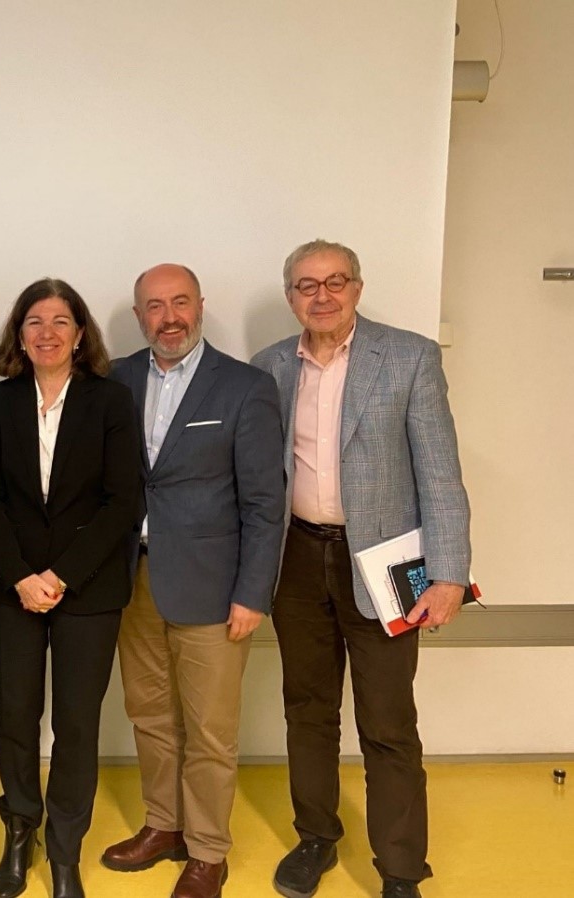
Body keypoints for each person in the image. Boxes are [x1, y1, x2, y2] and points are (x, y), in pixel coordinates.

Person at [251, 240, 472, 898]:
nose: (321, 295)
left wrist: (449, 574)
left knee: (388, 722)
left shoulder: (409, 357)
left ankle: (400, 869)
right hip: (295, 560)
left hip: (383, 565)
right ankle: (316, 836)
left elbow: (439, 475)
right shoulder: (268, 368)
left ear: (356, 287)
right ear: (290, 296)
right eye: (306, 285)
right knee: (307, 710)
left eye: (335, 281)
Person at [105, 264, 284, 898]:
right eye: (155, 306)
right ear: (139, 316)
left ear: (200, 306)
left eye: (180, 302)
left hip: (214, 587)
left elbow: (265, 502)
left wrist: (252, 593)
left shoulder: (245, 387)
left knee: (210, 729)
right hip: (133, 581)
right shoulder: (115, 379)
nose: (169, 317)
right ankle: (165, 825)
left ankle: (208, 850)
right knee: (150, 715)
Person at [0, 278, 142, 898]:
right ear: (19, 336)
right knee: (16, 716)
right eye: (34, 322)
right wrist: (21, 574)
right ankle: (21, 827)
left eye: (60, 322)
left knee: (76, 723)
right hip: (12, 586)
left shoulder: (110, 400)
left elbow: (121, 501)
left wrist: (61, 575)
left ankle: (65, 846)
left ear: (79, 335)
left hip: (88, 589)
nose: (47, 333)